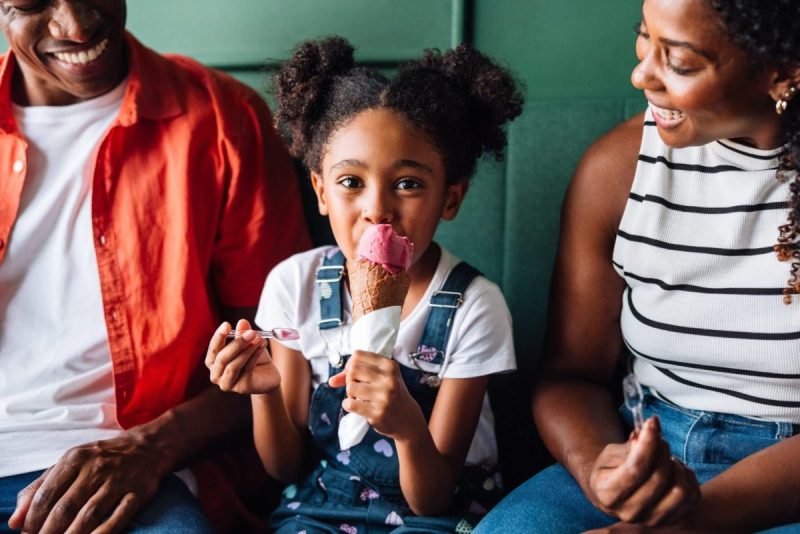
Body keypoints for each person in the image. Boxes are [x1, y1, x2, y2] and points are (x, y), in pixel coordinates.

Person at [475, 0, 800, 532]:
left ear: (783, 72)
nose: (641, 73)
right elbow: (570, 377)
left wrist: (685, 523)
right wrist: (604, 469)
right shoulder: (617, 170)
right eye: (644, 36)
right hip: (646, 453)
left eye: (681, 62)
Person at [0, 1, 310, 532]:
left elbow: (282, 354)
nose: (76, 26)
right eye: (32, 2)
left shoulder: (221, 118)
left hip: (143, 472)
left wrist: (151, 447)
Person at [204, 36, 523, 533]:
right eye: (351, 182)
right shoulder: (295, 285)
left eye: (409, 183)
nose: (378, 208)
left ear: (451, 197)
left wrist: (407, 428)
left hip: (436, 514)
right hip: (323, 507)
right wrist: (263, 392)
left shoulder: (474, 306)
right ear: (320, 192)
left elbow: (434, 497)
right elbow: (285, 468)